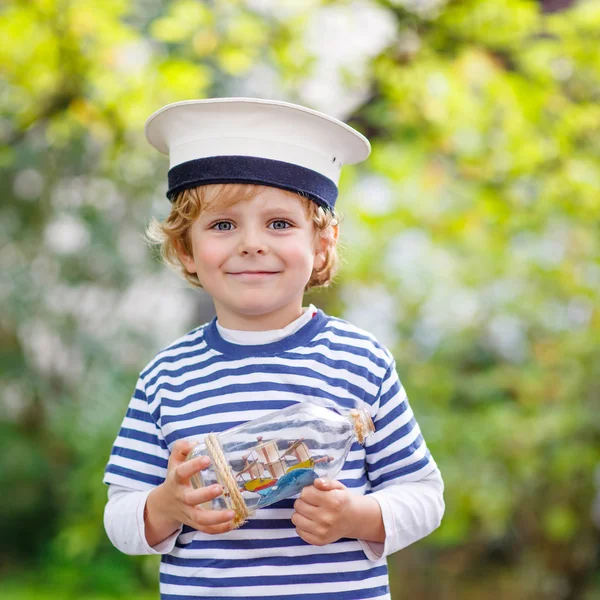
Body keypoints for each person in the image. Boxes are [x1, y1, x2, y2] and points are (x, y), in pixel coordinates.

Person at [103, 98, 445, 600]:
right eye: (223, 225)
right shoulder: (167, 375)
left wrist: (357, 516)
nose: (252, 244)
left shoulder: (360, 360)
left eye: (279, 224)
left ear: (322, 244)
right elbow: (120, 515)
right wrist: (165, 507)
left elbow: (423, 496)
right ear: (185, 249)